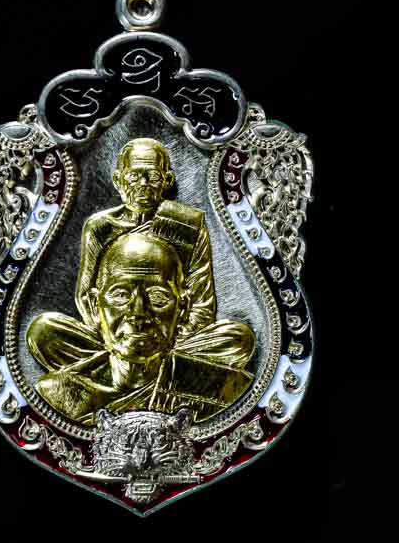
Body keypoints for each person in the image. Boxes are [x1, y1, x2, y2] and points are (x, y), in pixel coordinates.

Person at [26, 138, 255, 424]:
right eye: (134, 176)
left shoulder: (187, 224)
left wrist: (159, 345)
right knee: (44, 332)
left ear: (167, 181)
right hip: (112, 336)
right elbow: (86, 295)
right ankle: (178, 379)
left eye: (152, 176)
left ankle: (105, 385)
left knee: (238, 339)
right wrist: (116, 339)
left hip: (168, 337)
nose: (143, 185)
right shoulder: (100, 227)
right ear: (118, 180)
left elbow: (200, 303)